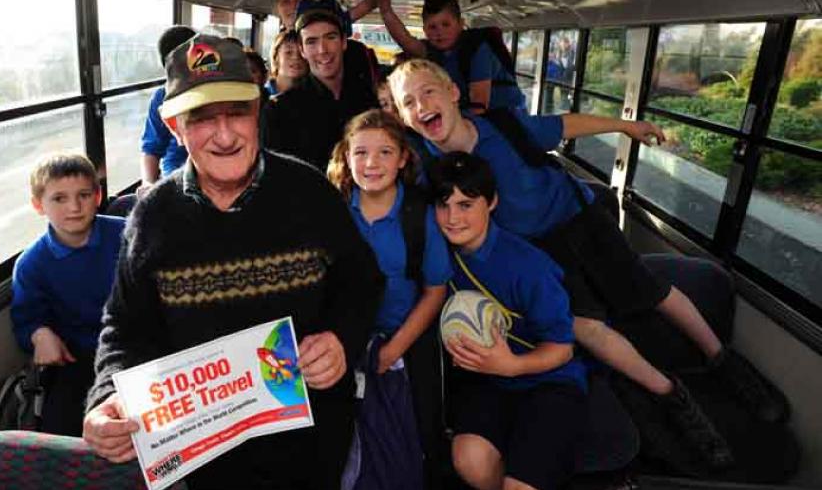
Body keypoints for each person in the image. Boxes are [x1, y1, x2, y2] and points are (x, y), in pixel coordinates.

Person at [388, 59, 786, 469]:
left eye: (428, 93)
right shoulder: (428, 170)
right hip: (536, 251)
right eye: (409, 103)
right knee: (587, 326)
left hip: (580, 218)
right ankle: (671, 394)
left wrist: (625, 126)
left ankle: (723, 360)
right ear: (402, 117)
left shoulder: (505, 126)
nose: (421, 106)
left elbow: (566, 125)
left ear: (453, 92)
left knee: (651, 291)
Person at [82, 35, 384, 489]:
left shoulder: (311, 193)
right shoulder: (153, 217)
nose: (224, 135)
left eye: (237, 112)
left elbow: (363, 283)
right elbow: (125, 327)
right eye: (201, 118)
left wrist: (342, 338)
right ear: (173, 126)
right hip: (205, 457)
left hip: (312, 443)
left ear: (259, 111)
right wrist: (109, 394)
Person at [428, 151, 587, 490]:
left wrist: (511, 365)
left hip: (549, 381)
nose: (453, 218)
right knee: (469, 460)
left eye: (466, 204)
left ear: (492, 202)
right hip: (487, 382)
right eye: (444, 205)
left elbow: (562, 349)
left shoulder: (529, 267)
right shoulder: (436, 255)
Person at [327, 109, 449, 488]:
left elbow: (435, 290)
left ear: (402, 159)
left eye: (384, 152)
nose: (371, 163)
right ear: (346, 158)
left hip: (405, 334)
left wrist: (395, 348)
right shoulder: (333, 211)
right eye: (360, 153)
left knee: (418, 427)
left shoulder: (418, 213)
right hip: (345, 337)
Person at [10, 153, 126, 436]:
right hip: (78, 358)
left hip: (135, 346)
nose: (74, 207)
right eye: (59, 198)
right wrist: (40, 334)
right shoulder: (31, 264)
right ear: (39, 205)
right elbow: (26, 320)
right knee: (61, 430)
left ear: (97, 196)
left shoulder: (128, 234)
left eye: (83, 195)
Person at [379, 0, 523, 113]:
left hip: (507, 118)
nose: (439, 32)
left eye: (446, 25)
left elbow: (479, 104)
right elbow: (405, 41)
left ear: (461, 24)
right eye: (432, 27)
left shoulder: (477, 49)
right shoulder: (432, 52)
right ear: (425, 30)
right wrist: (386, 10)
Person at [264, 6, 378, 171]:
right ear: (302, 50)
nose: (322, 50)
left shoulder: (367, 99)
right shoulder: (280, 110)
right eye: (312, 41)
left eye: (330, 37)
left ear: (344, 42)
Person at [138, 25, 196, 196]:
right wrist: (148, 183)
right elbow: (151, 149)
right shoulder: (162, 97)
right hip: (174, 177)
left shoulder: (216, 92)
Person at [266, 30, 308, 97]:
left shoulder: (316, 96)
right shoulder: (260, 96)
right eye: (288, 52)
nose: (296, 57)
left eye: (301, 53)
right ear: (276, 58)